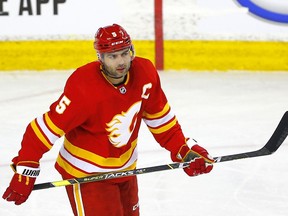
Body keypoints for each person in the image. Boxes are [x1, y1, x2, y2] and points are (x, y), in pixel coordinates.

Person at [2, 24, 214, 216]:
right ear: (100, 58)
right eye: (112, 56)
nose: (121, 61)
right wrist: (27, 168)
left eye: (124, 53)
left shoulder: (145, 73)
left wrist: (184, 150)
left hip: (127, 169)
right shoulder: (83, 87)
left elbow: (162, 122)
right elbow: (42, 130)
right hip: (88, 176)